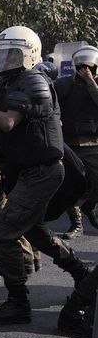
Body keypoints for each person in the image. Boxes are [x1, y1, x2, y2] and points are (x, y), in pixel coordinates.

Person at [0, 26, 90, 324]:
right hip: (25, 172)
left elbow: (7, 123)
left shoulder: (34, 81)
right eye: (3, 53)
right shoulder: (9, 81)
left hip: (42, 172)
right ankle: (80, 272)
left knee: (3, 236)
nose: (6, 58)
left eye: (13, 53)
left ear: (28, 54)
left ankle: (17, 302)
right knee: (33, 231)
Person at [54, 45, 98, 239]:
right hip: (69, 143)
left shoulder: (95, 85)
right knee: (69, 184)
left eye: (89, 67)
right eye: (82, 67)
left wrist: (91, 82)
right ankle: (76, 224)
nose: (85, 70)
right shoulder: (64, 85)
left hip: (93, 145)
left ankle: (90, 205)